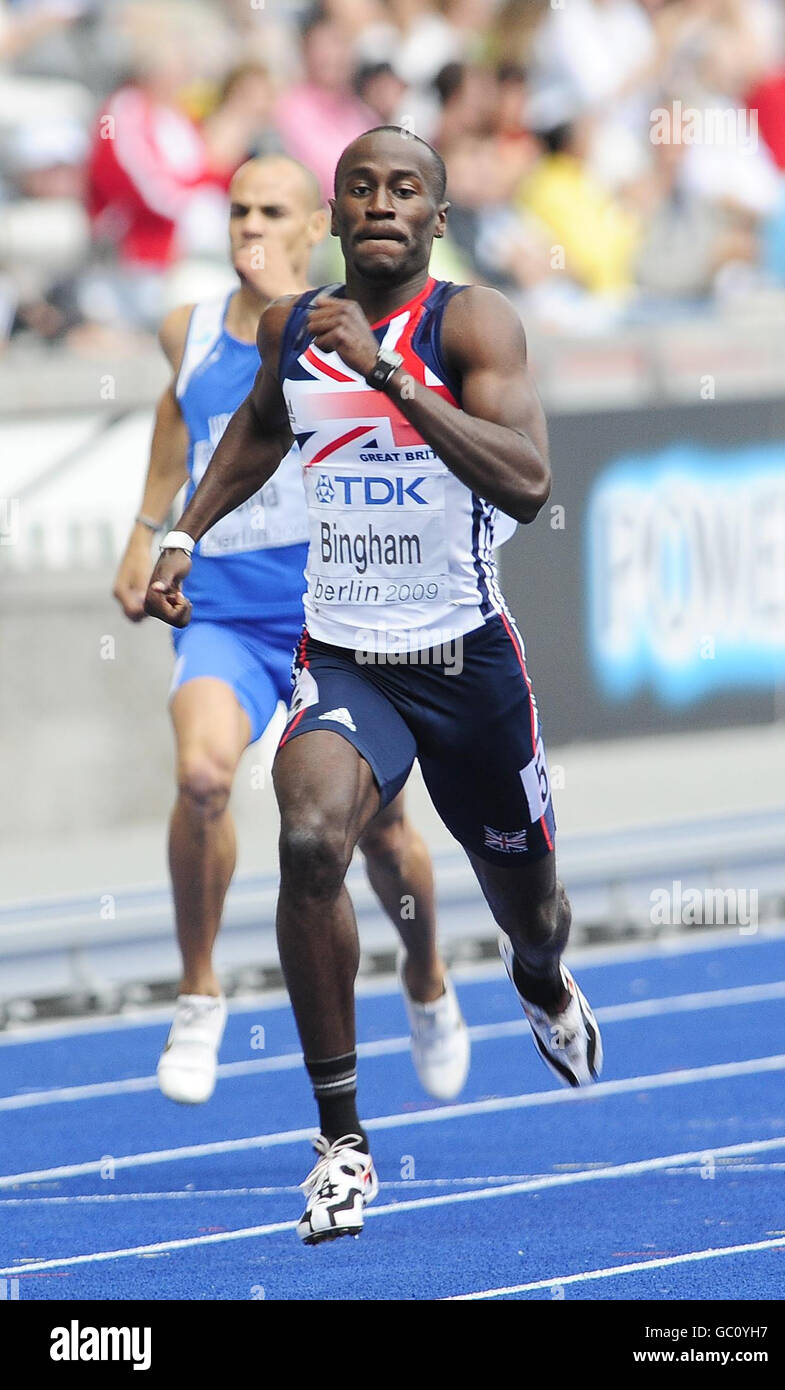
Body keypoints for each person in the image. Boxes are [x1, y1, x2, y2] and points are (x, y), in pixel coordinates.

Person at [145, 126, 602, 1245]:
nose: (382, 202)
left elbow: (530, 481)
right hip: (347, 656)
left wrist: (389, 373)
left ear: (436, 219)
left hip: (465, 661)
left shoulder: (471, 322)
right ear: (336, 217)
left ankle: (539, 982)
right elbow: (257, 431)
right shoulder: (292, 328)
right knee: (308, 840)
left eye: (406, 189)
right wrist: (183, 535)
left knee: (530, 906)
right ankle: (341, 1141)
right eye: (362, 187)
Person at [114, 153, 470, 1110]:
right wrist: (149, 535)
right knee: (201, 778)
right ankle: (198, 995)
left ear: (317, 226)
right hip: (225, 615)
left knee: (384, 837)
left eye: (272, 211)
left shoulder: (332, 329)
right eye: (236, 210)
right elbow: (174, 427)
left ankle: (428, 976)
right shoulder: (184, 329)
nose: (249, 228)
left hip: (329, 619)